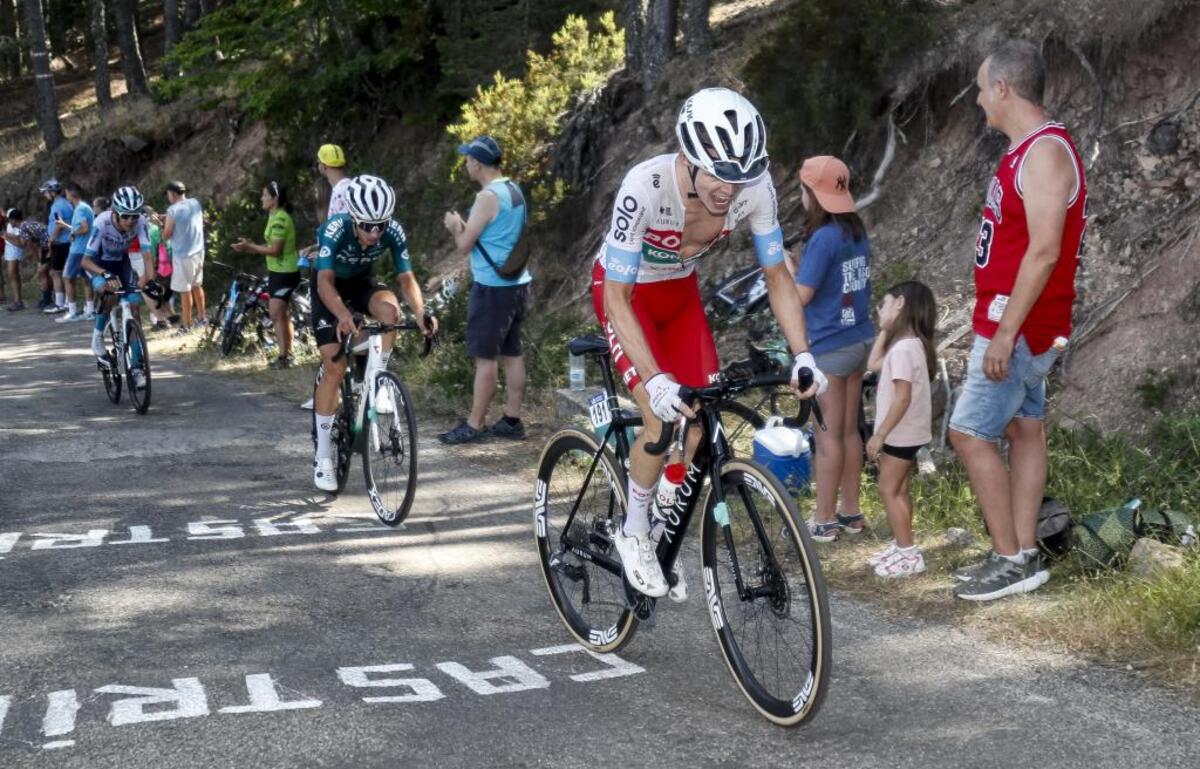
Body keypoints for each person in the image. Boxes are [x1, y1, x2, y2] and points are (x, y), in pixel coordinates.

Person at [593, 87, 826, 598]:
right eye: (719, 173)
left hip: (679, 296)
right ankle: (633, 530)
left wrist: (802, 353)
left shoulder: (754, 188)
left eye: (740, 176)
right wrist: (653, 380)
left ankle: (661, 517)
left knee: (701, 413)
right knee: (658, 415)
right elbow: (616, 297)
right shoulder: (646, 187)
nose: (730, 188)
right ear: (687, 158)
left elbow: (776, 275)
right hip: (628, 296)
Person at [948, 40, 1087, 602]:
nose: (979, 100)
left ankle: (1009, 560)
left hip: (1020, 325)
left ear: (1004, 88)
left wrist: (1005, 333)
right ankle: (1024, 552)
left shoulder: (1046, 153)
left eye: (983, 88)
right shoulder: (1027, 150)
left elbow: (1046, 251)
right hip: (1020, 322)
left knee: (967, 432)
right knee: (1024, 428)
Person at [309, 175, 437, 491]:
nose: (375, 233)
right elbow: (324, 282)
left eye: (380, 225)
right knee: (334, 367)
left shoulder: (391, 231)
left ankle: (378, 380)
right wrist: (340, 315)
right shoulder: (334, 229)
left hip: (361, 283)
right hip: (329, 289)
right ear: (353, 219)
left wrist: (421, 313)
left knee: (391, 313)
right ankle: (324, 456)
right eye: (367, 226)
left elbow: (407, 280)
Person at [793, 156, 876, 541]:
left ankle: (823, 520)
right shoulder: (854, 232)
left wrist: (783, 276)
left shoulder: (822, 238)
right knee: (848, 432)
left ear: (812, 194)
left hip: (828, 347)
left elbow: (802, 297)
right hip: (859, 340)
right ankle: (851, 512)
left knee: (826, 437)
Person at [439, 136, 531, 444]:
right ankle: (512, 419)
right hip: (517, 282)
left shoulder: (487, 197)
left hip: (493, 288)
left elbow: (465, 245)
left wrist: (454, 225)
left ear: (477, 163)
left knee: (486, 358)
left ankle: (474, 425)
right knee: (513, 353)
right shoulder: (513, 189)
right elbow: (497, 233)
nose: (465, 164)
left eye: (467, 159)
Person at [865, 281, 936, 578]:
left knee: (888, 489)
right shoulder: (910, 344)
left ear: (901, 303)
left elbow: (903, 397)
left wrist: (879, 434)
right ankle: (902, 544)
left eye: (885, 303)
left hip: (899, 434)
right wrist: (884, 328)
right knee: (900, 490)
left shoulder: (904, 350)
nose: (881, 309)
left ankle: (908, 554)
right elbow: (873, 362)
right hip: (910, 433)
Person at [80, 186, 156, 389]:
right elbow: (85, 261)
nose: (130, 221)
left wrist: (149, 279)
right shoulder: (101, 223)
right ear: (115, 213)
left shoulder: (141, 222)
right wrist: (104, 274)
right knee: (110, 293)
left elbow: (147, 255)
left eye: (134, 216)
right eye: (125, 216)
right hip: (98, 264)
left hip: (121, 263)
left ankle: (137, 367)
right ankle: (97, 338)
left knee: (133, 305)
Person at [233, 181, 300, 368]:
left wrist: (250, 247)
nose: (261, 198)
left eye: (264, 195)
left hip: (285, 272)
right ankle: (287, 354)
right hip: (278, 271)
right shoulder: (273, 216)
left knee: (276, 314)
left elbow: (276, 250)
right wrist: (250, 247)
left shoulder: (280, 219)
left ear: (275, 198)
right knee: (281, 315)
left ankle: (284, 357)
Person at [159, 181, 207, 331]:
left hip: (182, 255)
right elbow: (184, 216)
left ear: (172, 193)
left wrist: (162, 225)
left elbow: (166, 235)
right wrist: (166, 218)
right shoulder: (195, 203)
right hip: (199, 251)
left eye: (168, 194)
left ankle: (186, 325)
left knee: (184, 291)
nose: (168, 197)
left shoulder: (172, 210)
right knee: (197, 285)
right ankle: (202, 318)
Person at [59, 183, 96, 322]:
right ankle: (90, 311)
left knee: (67, 278)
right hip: (86, 249)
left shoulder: (80, 209)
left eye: (66, 193)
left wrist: (74, 232)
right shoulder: (86, 207)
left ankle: (72, 312)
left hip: (77, 250)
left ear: (69, 193)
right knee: (86, 280)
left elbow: (85, 228)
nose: (66, 195)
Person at [41, 178, 74, 313]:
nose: (45, 195)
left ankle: (59, 303)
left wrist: (51, 239)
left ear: (53, 192)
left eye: (46, 192)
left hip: (60, 243)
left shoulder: (57, 205)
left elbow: (59, 224)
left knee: (55, 272)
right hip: (67, 243)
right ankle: (66, 302)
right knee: (65, 273)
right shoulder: (66, 203)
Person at [3, 207, 24, 311]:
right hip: (9, 248)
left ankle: (18, 301)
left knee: (12, 273)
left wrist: (7, 237)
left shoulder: (20, 227)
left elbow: (20, 242)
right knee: (13, 275)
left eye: (10, 219)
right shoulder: (9, 224)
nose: (9, 221)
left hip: (15, 249)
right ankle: (18, 300)